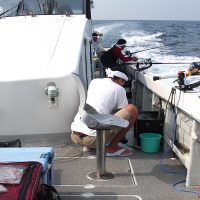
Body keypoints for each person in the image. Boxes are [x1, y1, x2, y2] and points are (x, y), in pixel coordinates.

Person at [71, 67, 138, 157]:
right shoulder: (119, 89)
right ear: (120, 81)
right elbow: (123, 113)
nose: (122, 85)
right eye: (123, 83)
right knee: (132, 109)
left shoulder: (94, 81)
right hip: (93, 139)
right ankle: (112, 147)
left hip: (75, 134)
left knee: (97, 111)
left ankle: (87, 146)